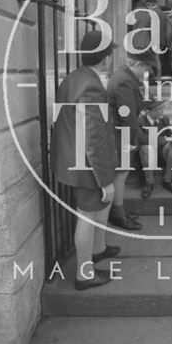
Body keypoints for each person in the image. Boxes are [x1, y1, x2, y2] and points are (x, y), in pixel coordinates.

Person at [50, 30, 119, 290]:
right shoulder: (90, 85)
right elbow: (93, 138)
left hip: (75, 158)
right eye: (110, 53)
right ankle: (84, 274)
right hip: (87, 166)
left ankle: (98, 249)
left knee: (97, 210)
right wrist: (105, 180)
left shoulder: (74, 78)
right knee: (88, 216)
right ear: (105, 58)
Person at [107, 49, 156, 230]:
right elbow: (127, 116)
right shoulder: (125, 81)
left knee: (121, 176)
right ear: (138, 64)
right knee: (120, 176)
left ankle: (118, 212)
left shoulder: (122, 76)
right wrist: (135, 139)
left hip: (120, 134)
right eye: (146, 68)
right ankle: (118, 215)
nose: (147, 73)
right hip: (121, 135)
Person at [138, 100, 172, 199]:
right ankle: (149, 182)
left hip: (160, 152)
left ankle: (168, 180)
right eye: (158, 109)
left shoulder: (164, 119)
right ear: (149, 111)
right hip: (146, 155)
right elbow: (142, 139)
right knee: (146, 146)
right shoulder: (140, 121)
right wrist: (165, 139)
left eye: (162, 109)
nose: (162, 112)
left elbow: (168, 133)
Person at [144, 0, 169, 80]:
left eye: (148, 5)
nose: (147, 7)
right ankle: (158, 77)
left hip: (153, 39)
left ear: (152, 4)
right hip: (161, 40)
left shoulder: (151, 13)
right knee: (157, 59)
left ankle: (154, 77)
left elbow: (148, 27)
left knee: (151, 59)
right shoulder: (162, 13)